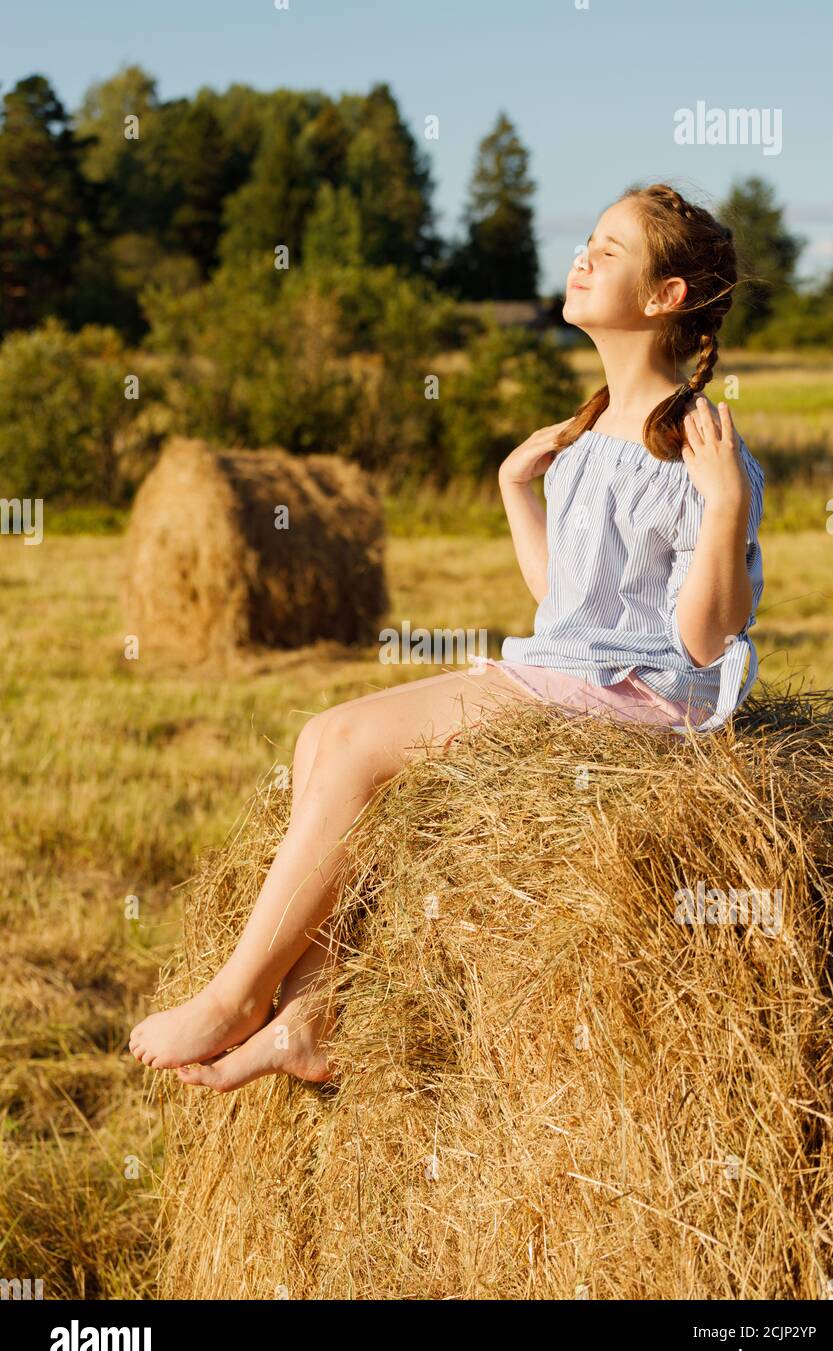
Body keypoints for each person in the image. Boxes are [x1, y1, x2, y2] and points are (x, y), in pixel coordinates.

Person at [128, 181, 764, 1091]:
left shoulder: (698, 445)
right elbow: (569, 609)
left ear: (665, 299)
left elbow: (705, 638)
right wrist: (517, 490)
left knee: (348, 740)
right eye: (587, 239)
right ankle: (311, 1014)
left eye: (610, 249)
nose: (582, 256)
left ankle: (237, 994)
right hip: (582, 667)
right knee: (320, 739)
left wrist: (727, 501)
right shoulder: (586, 437)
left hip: (649, 694)